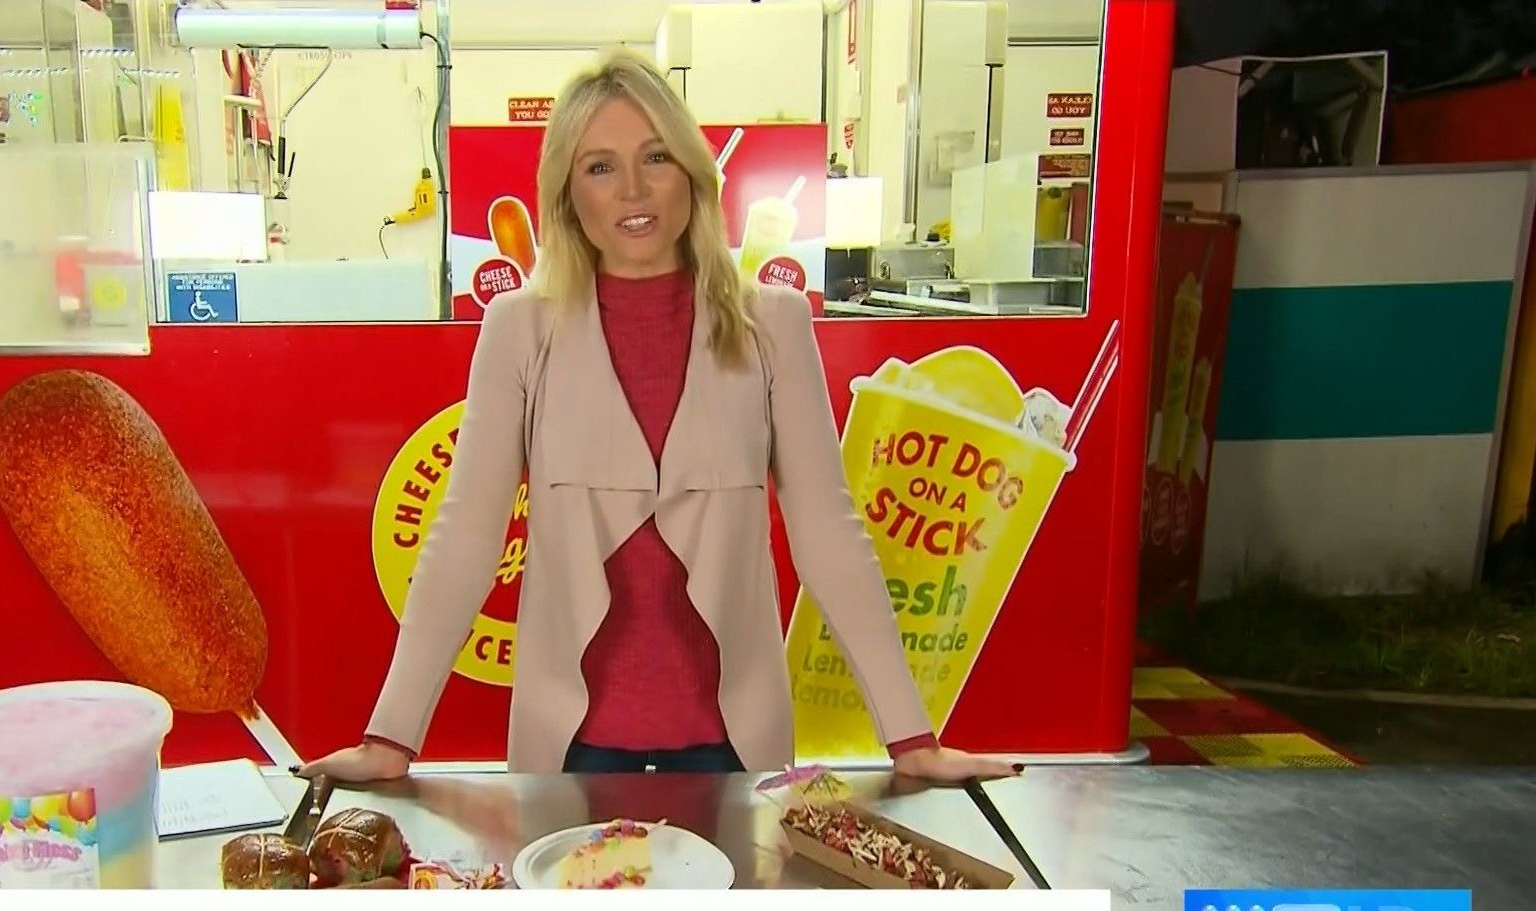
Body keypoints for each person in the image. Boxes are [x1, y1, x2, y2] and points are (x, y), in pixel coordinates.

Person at [300, 50, 1017, 784]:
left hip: (735, 751)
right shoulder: (519, 329)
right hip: (568, 754)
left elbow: (828, 532)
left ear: (693, 175)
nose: (633, 190)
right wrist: (390, 738)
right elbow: (465, 536)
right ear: (568, 193)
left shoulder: (774, 324)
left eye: (656, 157)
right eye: (600, 167)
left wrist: (912, 739)